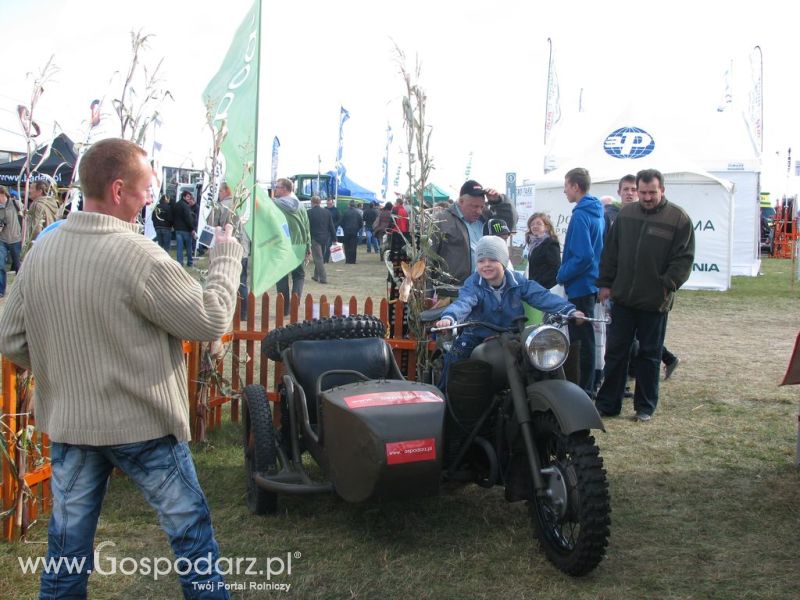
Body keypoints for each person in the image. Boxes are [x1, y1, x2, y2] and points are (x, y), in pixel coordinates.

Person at [0, 138, 241, 599]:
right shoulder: (139, 256)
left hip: (72, 425)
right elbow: (210, 319)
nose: (151, 196)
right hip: (144, 425)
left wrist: (67, 367)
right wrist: (226, 257)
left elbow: (10, 337)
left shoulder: (40, 255)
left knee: (66, 554)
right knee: (192, 540)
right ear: (117, 190)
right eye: (146, 188)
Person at [594, 169, 695, 421]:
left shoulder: (679, 219)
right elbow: (611, 251)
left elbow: (684, 259)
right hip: (624, 298)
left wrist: (667, 284)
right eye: (643, 192)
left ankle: (645, 407)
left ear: (663, 190)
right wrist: (605, 283)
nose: (647, 197)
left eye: (652, 192)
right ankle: (608, 404)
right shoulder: (626, 214)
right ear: (636, 190)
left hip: (654, 301)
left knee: (649, 355)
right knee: (615, 352)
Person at [434, 236, 583, 391]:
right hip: (477, 335)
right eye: (481, 261)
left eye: (492, 259)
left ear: (503, 261)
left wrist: (568, 310)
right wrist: (449, 317)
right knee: (456, 357)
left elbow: (541, 296)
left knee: (538, 357)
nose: (486, 265)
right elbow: (463, 303)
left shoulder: (518, 282)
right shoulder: (474, 284)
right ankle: (443, 396)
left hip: (512, 335)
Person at [556, 167, 604, 398]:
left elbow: (584, 256)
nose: (564, 190)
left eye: (566, 186)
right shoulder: (596, 211)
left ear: (575, 186)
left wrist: (562, 273)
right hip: (590, 283)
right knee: (587, 338)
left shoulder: (580, 215)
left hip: (580, 285)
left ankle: (584, 388)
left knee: (581, 341)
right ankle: (589, 384)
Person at [430, 179, 516, 296]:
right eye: (474, 206)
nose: (479, 211)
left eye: (482, 206)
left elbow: (508, 224)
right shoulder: (441, 220)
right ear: (461, 201)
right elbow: (427, 260)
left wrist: (499, 201)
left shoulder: (486, 218)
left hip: (487, 290)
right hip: (453, 293)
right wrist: (427, 295)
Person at [207, 181, 251, 320]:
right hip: (243, 248)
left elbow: (211, 225)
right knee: (242, 281)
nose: (218, 195)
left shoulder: (221, 206)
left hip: (227, 249)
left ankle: (227, 312)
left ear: (226, 191)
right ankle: (243, 314)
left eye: (219, 192)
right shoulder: (243, 205)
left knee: (225, 280)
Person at [273, 177, 310, 317]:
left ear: (285, 189)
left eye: (277, 187)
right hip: (299, 246)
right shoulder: (301, 206)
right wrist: (308, 246)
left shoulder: (275, 205)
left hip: (283, 246)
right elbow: (307, 227)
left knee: (282, 277)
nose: (275, 189)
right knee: (299, 277)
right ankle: (295, 305)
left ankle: (284, 309)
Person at [523, 212, 561, 289]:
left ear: (546, 227)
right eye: (532, 224)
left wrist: (538, 283)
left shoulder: (550, 243)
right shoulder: (533, 244)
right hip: (535, 287)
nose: (535, 226)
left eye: (539, 224)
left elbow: (555, 268)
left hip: (546, 288)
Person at [0, 186, 23, 297]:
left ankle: (21, 290)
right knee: (0, 264)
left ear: (3, 194)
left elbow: (25, 218)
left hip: (16, 239)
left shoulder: (16, 203)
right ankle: (1, 291)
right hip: (2, 239)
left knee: (18, 265)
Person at [307, 194, 335, 284]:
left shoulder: (309, 212)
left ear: (312, 202)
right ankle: (316, 276)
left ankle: (323, 278)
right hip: (325, 238)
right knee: (320, 257)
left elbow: (306, 227)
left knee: (318, 258)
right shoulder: (327, 212)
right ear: (319, 202)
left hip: (315, 237)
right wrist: (335, 238)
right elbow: (331, 226)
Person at [172, 189, 197, 267]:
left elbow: (173, 217)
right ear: (184, 197)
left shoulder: (176, 205)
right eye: (188, 197)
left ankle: (180, 263)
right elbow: (188, 218)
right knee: (189, 247)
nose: (189, 198)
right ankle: (190, 262)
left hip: (178, 229)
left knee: (179, 247)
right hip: (186, 230)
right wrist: (192, 228)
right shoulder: (186, 206)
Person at [323, 197, 341, 263]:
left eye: (330, 203)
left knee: (328, 245)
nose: (329, 205)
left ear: (332, 203)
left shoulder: (336, 210)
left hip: (332, 230)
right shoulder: (324, 209)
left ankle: (325, 259)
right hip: (324, 229)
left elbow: (339, 220)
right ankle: (323, 258)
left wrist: (334, 226)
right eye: (328, 203)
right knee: (324, 244)